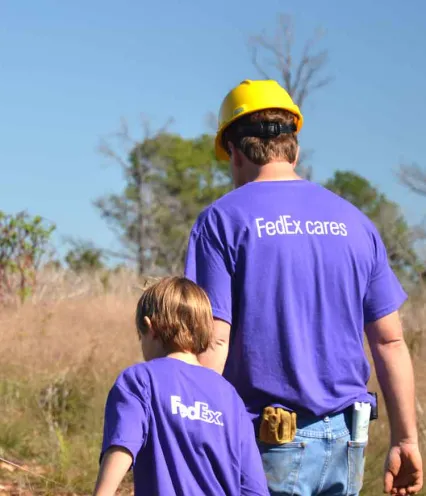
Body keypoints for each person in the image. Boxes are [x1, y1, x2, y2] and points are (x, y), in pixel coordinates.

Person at [184, 79, 423, 496]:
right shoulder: (354, 222)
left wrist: (189, 430)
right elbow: (390, 343)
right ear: (292, 146)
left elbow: (214, 341)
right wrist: (406, 440)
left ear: (235, 153)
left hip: (266, 444)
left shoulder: (221, 221)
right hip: (349, 441)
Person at [93, 276, 269, 496]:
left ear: (150, 327)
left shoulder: (139, 381)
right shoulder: (229, 396)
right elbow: (254, 488)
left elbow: (122, 446)